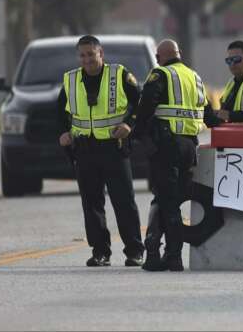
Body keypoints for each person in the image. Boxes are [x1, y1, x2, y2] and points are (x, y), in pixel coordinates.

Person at [57, 35, 145, 267]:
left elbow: (140, 104)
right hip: (85, 150)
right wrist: (64, 133)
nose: (87, 59)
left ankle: (135, 250)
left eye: (91, 54)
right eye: (82, 55)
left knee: (124, 201)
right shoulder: (70, 79)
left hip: (114, 149)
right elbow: (60, 113)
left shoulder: (119, 75)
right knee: (91, 203)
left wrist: (129, 125)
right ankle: (100, 252)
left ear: (101, 54)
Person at [134, 39, 208, 272]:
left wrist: (137, 135)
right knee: (172, 200)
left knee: (166, 202)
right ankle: (163, 254)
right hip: (189, 147)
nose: (156, 60)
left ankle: (167, 255)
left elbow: (145, 107)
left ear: (162, 56)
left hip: (166, 146)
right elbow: (209, 112)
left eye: (157, 56)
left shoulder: (160, 74)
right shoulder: (194, 77)